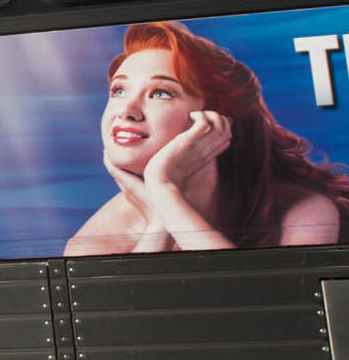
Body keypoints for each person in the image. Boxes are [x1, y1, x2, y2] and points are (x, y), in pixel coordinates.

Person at [66, 21, 349, 255]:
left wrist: (164, 189)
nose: (126, 111)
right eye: (118, 91)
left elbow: (277, 308)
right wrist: (159, 222)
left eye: (160, 93)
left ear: (213, 121)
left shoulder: (302, 211)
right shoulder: (91, 243)